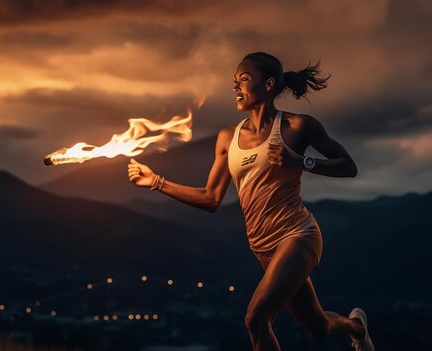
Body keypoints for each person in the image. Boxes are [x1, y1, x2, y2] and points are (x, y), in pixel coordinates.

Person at [127, 52, 374, 351]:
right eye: (234, 81)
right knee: (318, 328)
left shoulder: (296, 127)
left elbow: (349, 166)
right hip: (261, 246)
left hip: (298, 235)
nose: (235, 87)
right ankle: (357, 328)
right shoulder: (227, 137)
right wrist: (156, 182)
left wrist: (301, 160)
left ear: (268, 84)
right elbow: (211, 198)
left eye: (244, 79)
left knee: (256, 320)